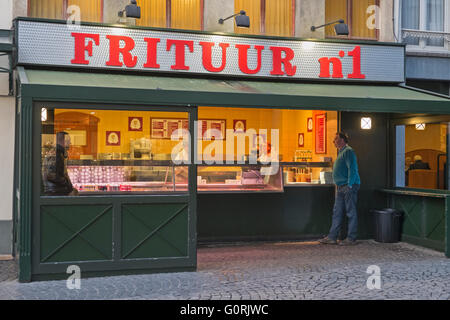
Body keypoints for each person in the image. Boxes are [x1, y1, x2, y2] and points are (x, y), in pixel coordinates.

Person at [319, 132, 361, 246]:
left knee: (350, 212)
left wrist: (350, 184)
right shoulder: (341, 152)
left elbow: (352, 169)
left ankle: (351, 238)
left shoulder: (348, 151)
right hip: (341, 187)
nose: (334, 141)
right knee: (337, 212)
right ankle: (332, 237)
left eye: (336, 139)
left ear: (343, 140)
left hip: (348, 186)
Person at [42, 132, 78, 196]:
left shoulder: (57, 153)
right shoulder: (57, 154)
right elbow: (51, 175)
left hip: (55, 192)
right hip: (56, 193)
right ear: (64, 141)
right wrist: (68, 186)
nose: (70, 143)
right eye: (69, 141)